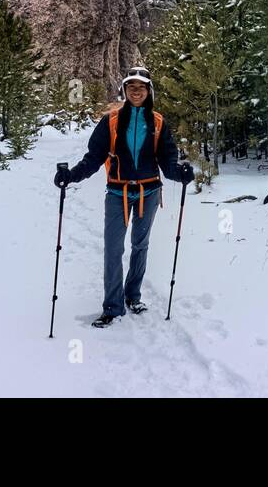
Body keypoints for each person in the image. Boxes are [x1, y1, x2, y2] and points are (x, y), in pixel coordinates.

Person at [54, 66, 194, 328]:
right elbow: (94, 157)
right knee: (113, 249)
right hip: (117, 192)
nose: (136, 91)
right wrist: (71, 176)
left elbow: (167, 161)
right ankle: (112, 306)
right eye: (131, 86)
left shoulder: (159, 123)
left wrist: (180, 174)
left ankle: (133, 296)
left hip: (149, 192)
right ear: (125, 90)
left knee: (140, 245)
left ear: (149, 91)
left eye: (141, 86)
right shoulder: (111, 121)